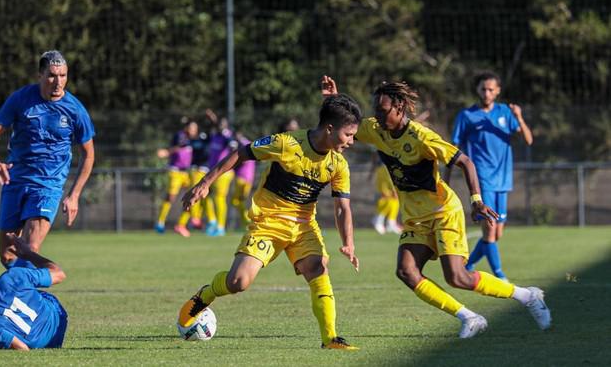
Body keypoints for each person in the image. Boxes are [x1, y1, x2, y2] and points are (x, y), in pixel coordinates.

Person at [321, 75, 550, 338]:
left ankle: (527, 296)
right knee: (406, 272)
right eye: (376, 111)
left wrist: (476, 202)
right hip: (415, 218)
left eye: (383, 111)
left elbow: (466, 162)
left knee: (458, 278)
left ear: (400, 108)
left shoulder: (421, 137)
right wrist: (333, 101)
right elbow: (346, 127)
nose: (378, 117)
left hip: (443, 213)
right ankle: (470, 317)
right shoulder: (375, 128)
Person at [177, 94, 362, 350]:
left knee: (318, 268)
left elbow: (343, 208)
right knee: (237, 283)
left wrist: (349, 244)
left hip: (303, 225)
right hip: (268, 222)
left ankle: (330, 338)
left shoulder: (338, 164)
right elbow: (241, 153)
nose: (352, 141)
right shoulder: (286, 143)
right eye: (349, 135)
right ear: (330, 128)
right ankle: (204, 296)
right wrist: (205, 183)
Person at [0, 51, 95, 268]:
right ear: (40, 75)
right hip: (15, 181)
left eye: (63, 75)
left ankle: (27, 298)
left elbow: (88, 154)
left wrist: (74, 195)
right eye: (52, 75)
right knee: (8, 256)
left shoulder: (75, 110)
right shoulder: (20, 99)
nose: (58, 82)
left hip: (48, 185)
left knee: (29, 249)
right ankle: (21, 293)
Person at [446, 71, 533, 280]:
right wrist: (445, 178)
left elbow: (528, 140)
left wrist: (519, 116)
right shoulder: (467, 116)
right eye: (483, 89)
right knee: (490, 233)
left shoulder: (505, 112)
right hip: (482, 179)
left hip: (503, 179)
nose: (486, 93)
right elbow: (452, 149)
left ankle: (467, 264)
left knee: (496, 234)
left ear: (498, 91)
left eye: (491, 89)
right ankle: (499, 275)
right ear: (477, 90)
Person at [0, 234, 68, 350]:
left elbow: (21, 348)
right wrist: (29, 254)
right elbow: (59, 275)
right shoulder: (14, 275)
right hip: (57, 321)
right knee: (27, 288)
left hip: (44, 345)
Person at [155, 121, 195, 236]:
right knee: (171, 198)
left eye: (195, 128)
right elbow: (179, 146)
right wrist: (167, 152)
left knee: (193, 197)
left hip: (186, 173)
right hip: (175, 171)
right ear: (186, 127)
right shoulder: (181, 136)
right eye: (192, 128)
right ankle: (160, 223)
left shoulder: (194, 140)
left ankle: (181, 225)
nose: (194, 130)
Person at [204, 109, 237, 236]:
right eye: (219, 124)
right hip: (212, 171)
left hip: (224, 172)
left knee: (219, 198)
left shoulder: (227, 136)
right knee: (204, 196)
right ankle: (212, 221)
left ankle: (221, 227)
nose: (220, 126)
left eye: (222, 124)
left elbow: (233, 146)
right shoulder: (215, 135)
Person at [230, 132, 255, 229]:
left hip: (242, 177)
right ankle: (246, 222)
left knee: (236, 201)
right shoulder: (250, 144)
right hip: (248, 178)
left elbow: (242, 160)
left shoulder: (243, 144)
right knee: (240, 201)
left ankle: (247, 221)